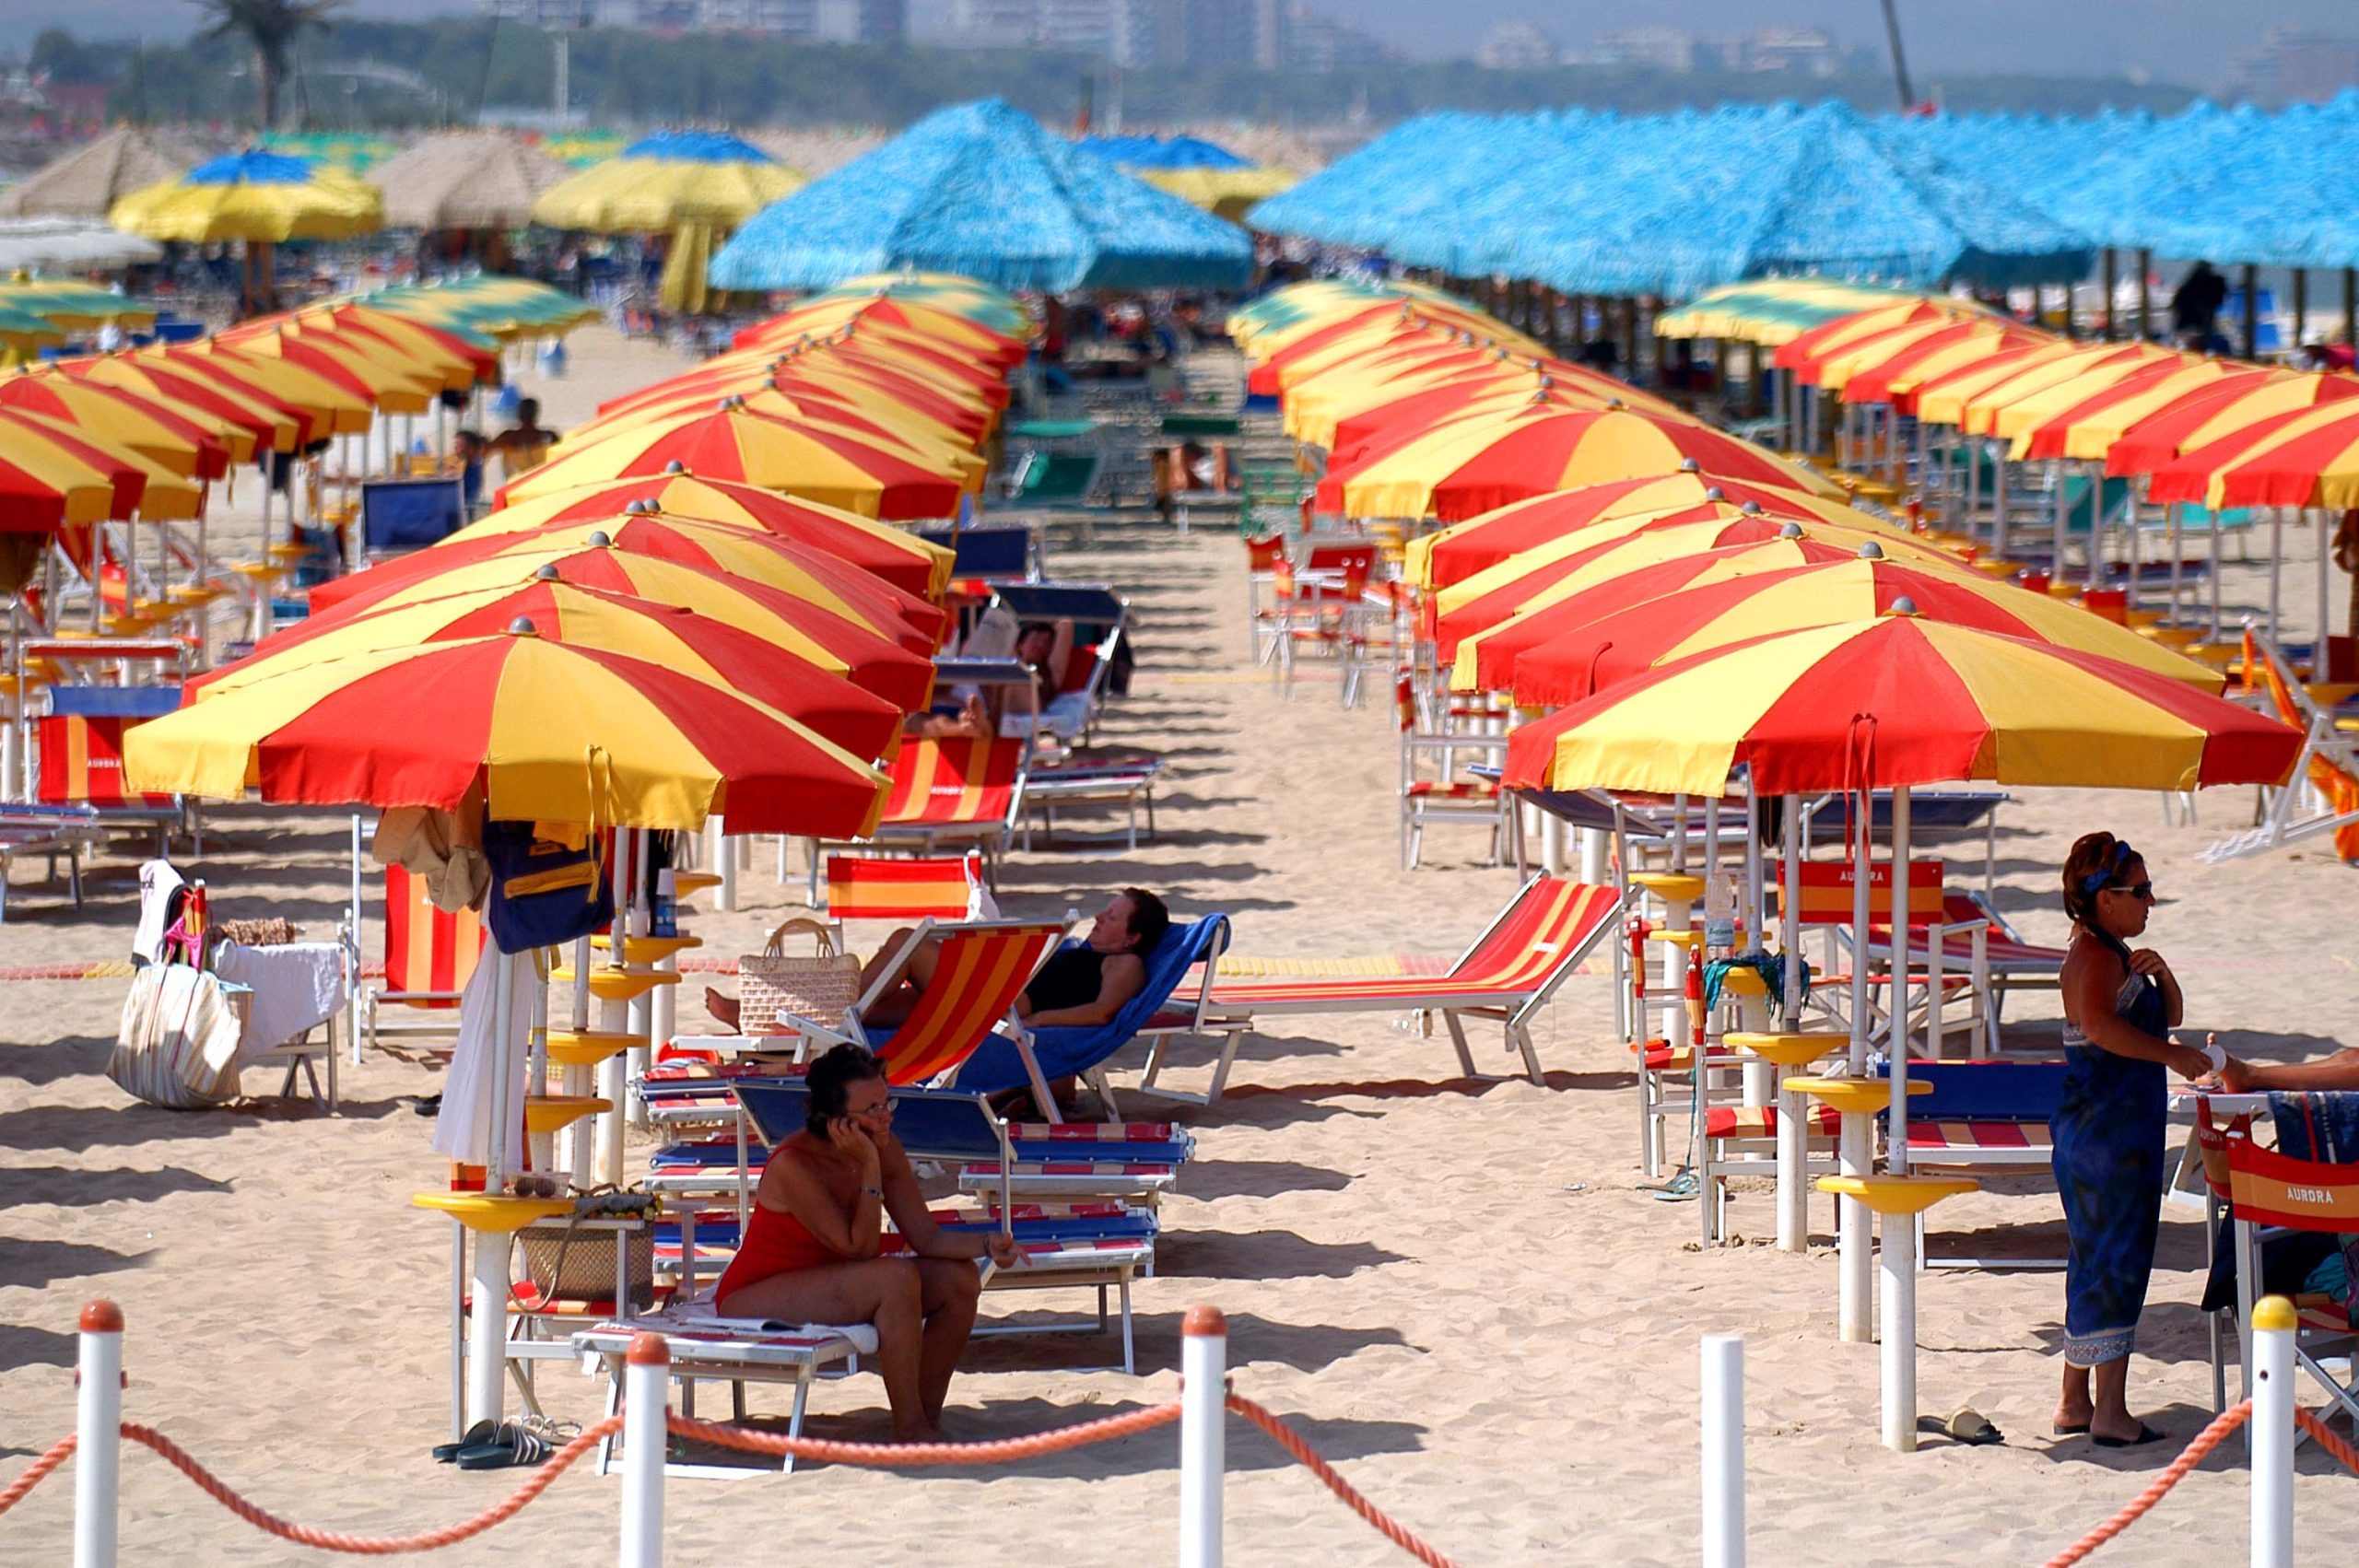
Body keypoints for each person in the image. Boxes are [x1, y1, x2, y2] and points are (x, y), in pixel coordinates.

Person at [710, 1044, 1019, 1441]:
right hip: (758, 1292)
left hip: (830, 1279)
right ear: (836, 1120)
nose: (886, 1115)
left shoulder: (883, 1144)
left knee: (959, 1279)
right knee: (894, 1278)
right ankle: (909, 1427)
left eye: (887, 1101)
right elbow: (859, 1248)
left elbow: (926, 1237)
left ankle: (925, 1419)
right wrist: (870, 1165)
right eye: (872, 1110)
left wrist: (987, 1244)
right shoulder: (795, 1165)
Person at [2050, 832, 2221, 1446]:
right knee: (2118, 1264)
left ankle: (2075, 1398)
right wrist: (2174, 1057)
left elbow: (2168, 1014)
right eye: (2141, 891)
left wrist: (2162, 973)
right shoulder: (2094, 958)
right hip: (2108, 1135)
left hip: (2107, 1131)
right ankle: (2111, 1412)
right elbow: (2098, 1026)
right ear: (2104, 899)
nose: (2151, 901)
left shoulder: (2111, 953)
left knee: (2092, 1261)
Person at [704, 889, 1170, 1039]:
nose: (1099, 917)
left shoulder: (1125, 965)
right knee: (873, 1016)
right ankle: (762, 1017)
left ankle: (811, 1007)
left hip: (1002, 1007)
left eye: (1111, 917)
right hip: (995, 1002)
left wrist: (1034, 1019)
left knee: (908, 942)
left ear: (1132, 937)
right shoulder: (1093, 953)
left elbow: (1100, 1014)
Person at [488, 397, 555, 480]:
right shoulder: (549, 437)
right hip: (543, 485)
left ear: (518, 414)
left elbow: (485, 451)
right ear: (536, 414)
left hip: (516, 487)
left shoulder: (508, 437)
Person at [2170, 262, 2228, 351]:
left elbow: (2176, 306)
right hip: (2197, 326)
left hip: (2189, 326)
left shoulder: (2188, 287)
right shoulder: (2210, 286)